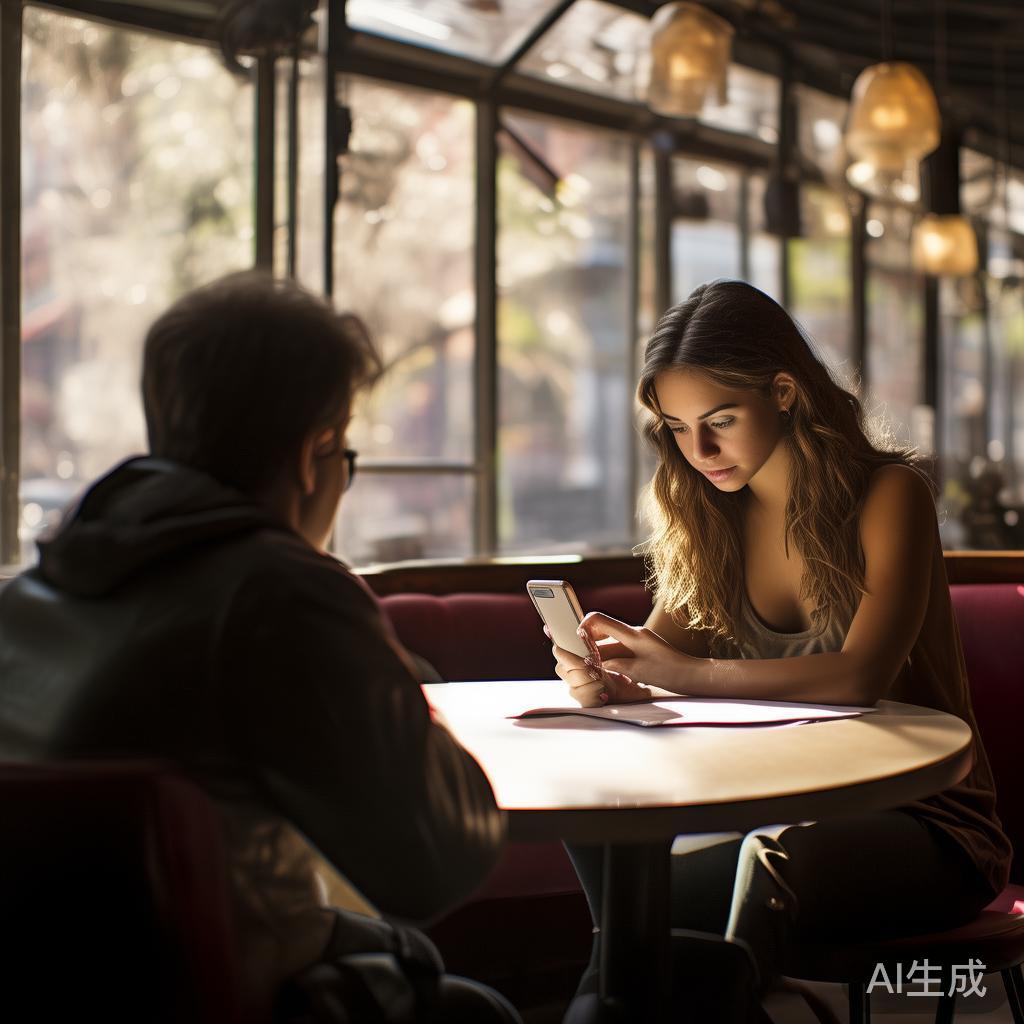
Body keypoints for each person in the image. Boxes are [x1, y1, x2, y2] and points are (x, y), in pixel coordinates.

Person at [0, 272, 520, 1024]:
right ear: (314, 453)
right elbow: (436, 862)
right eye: (344, 454)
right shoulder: (280, 596)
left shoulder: (39, 587)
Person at [550, 279, 1011, 1023]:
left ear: (786, 392)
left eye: (721, 421)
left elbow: (860, 675)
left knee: (766, 859)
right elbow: (660, 661)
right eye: (676, 428)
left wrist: (683, 675)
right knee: (615, 851)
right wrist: (611, 673)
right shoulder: (712, 520)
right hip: (777, 818)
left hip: (930, 827)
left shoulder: (891, 495)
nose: (699, 451)